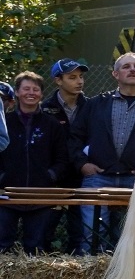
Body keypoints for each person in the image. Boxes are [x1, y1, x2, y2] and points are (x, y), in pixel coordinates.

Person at [69, 53, 135, 254]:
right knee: (92, 235)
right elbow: (74, 137)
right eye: (126, 67)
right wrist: (82, 164)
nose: (132, 69)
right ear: (115, 74)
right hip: (97, 179)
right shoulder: (95, 104)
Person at [0, 72, 69, 253]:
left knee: (36, 248)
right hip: (7, 194)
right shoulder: (5, 123)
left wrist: (50, 176)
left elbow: (62, 158)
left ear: (41, 94)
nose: (31, 93)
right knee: (2, 245)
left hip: (40, 195)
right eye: (26, 89)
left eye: (35, 89)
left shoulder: (52, 124)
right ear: (16, 92)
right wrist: (2, 177)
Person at [42, 59, 89, 254]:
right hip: (53, 177)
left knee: (80, 227)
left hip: (82, 174)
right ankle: (41, 255)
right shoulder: (44, 109)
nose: (79, 81)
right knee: (46, 225)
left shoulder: (92, 106)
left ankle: (78, 259)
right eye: (72, 77)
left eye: (80, 77)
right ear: (58, 80)